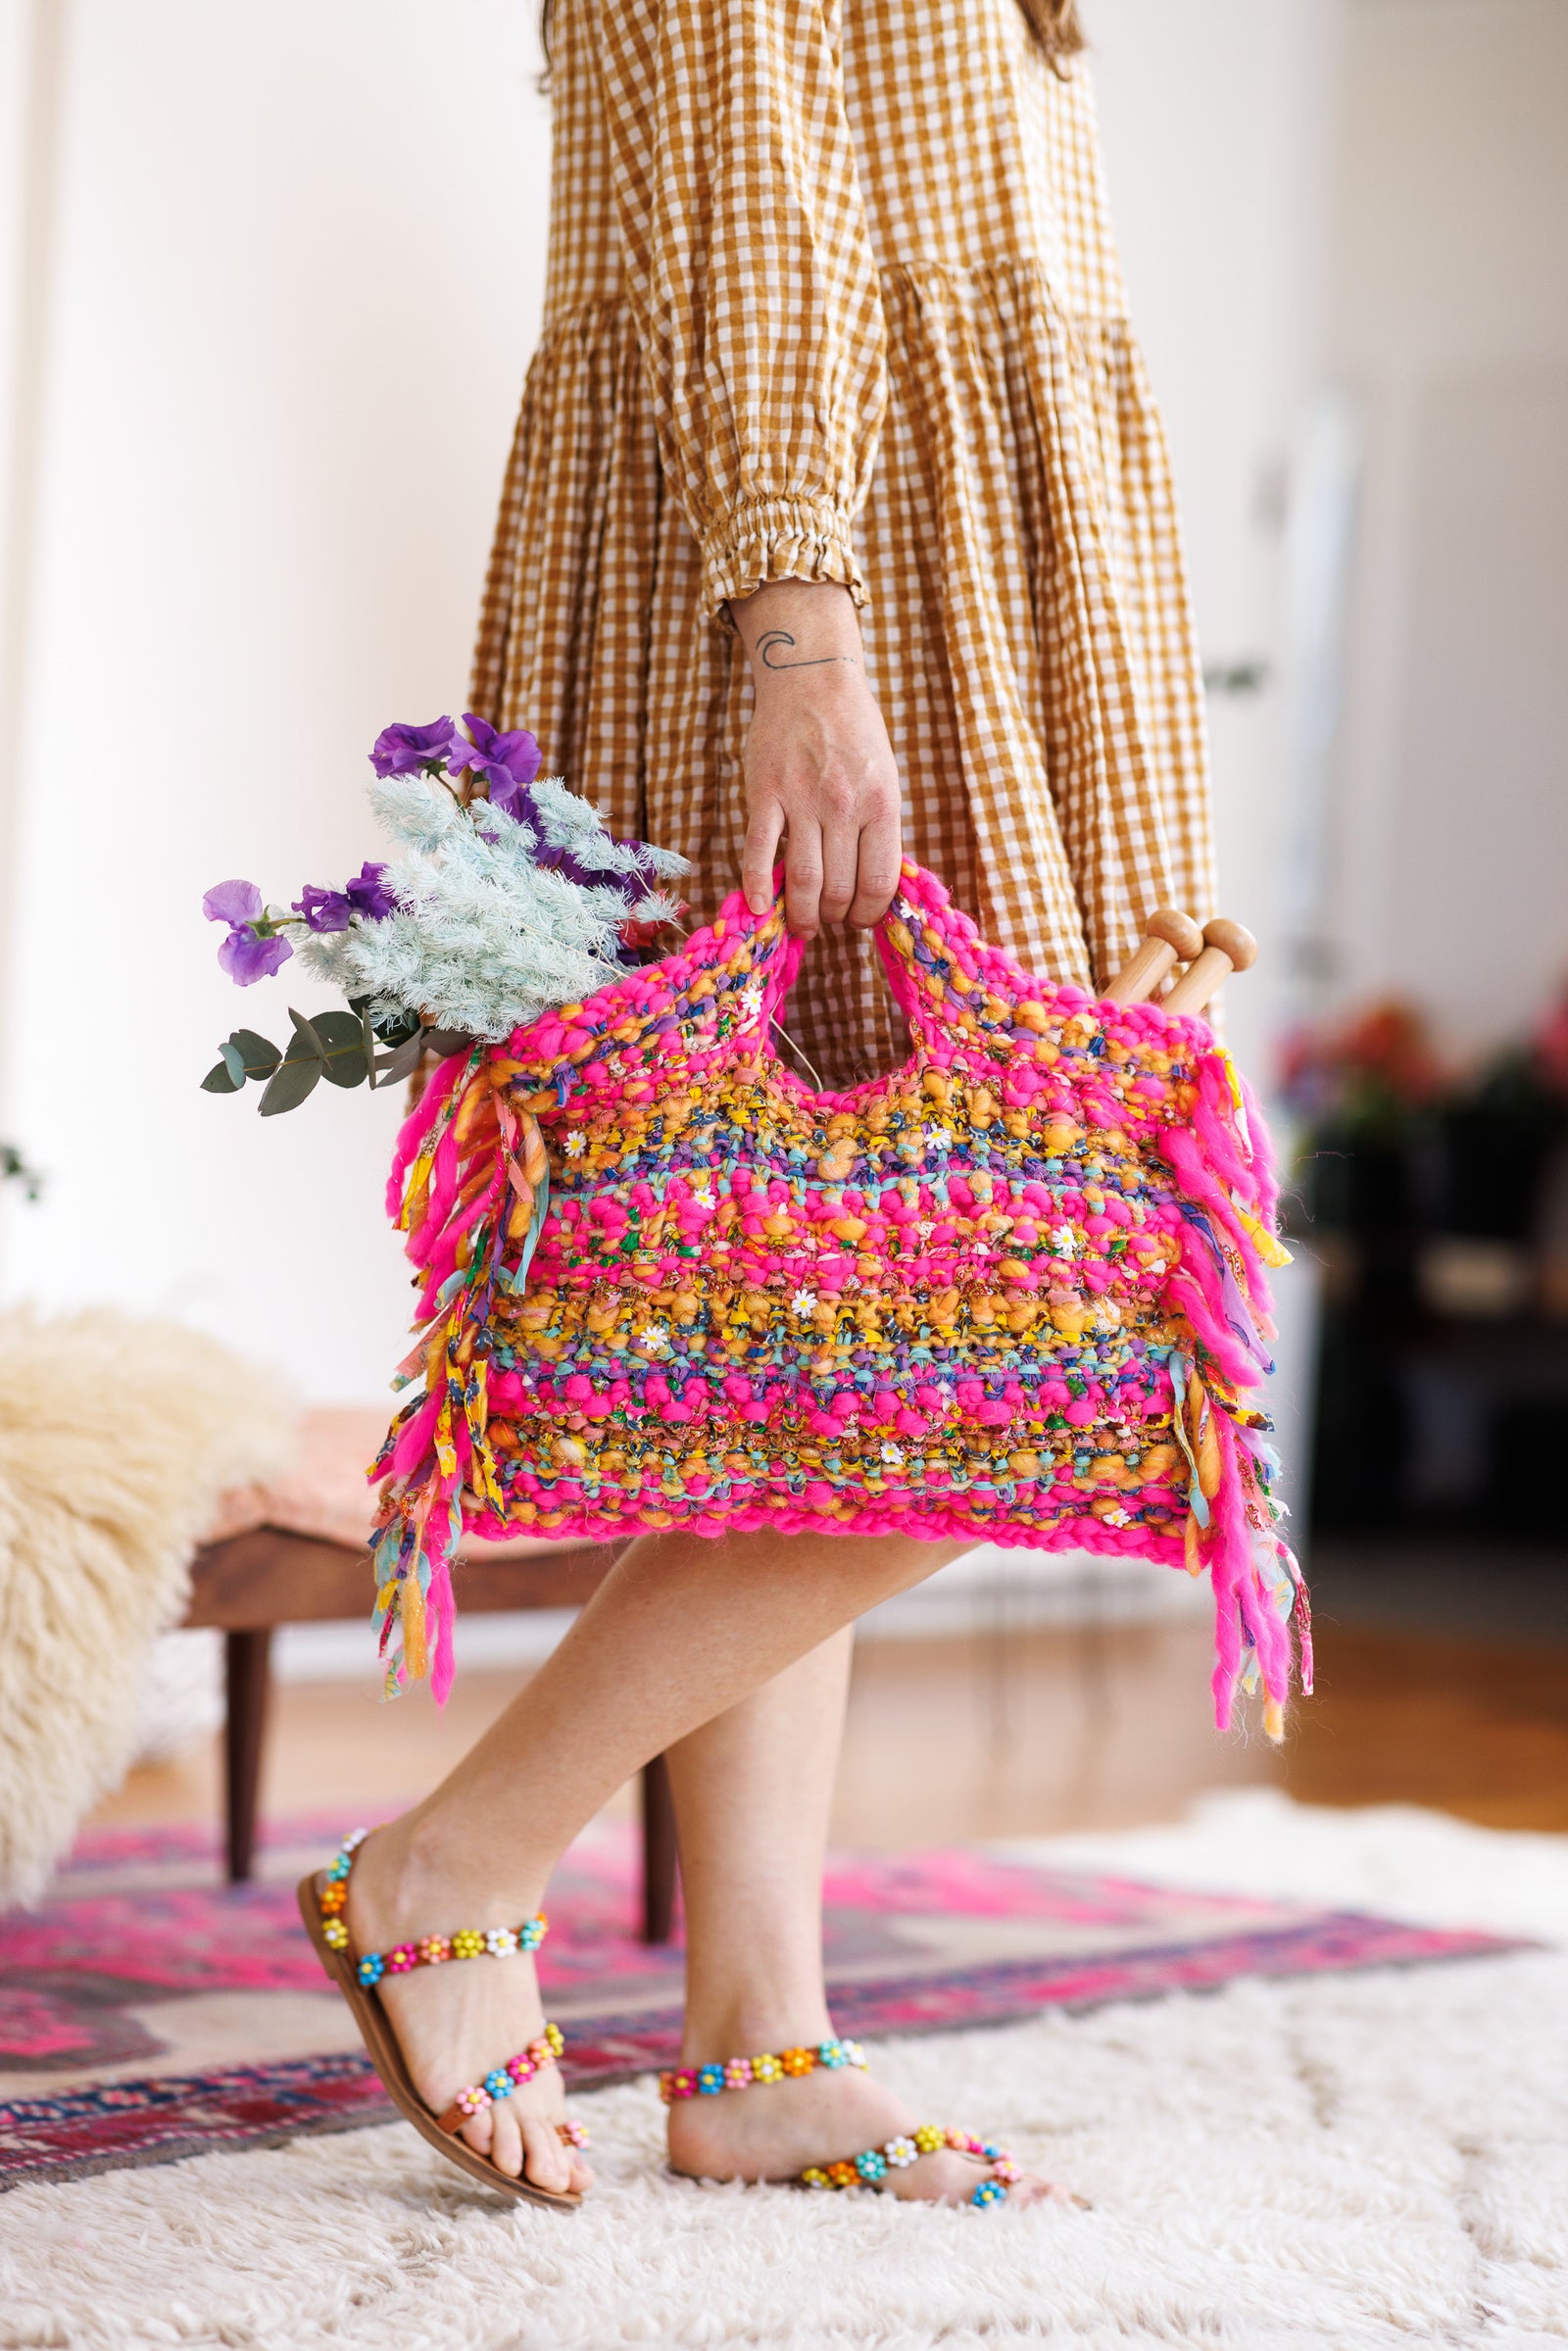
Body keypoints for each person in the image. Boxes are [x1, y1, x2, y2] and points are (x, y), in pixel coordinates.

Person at [324, 0, 1215, 2209]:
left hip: (923, 522)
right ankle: (453, 1858)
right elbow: (739, 162)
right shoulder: (816, 564)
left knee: (807, 1309)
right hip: (849, 543)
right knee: (1030, 1331)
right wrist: (799, 624)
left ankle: (752, 2039)